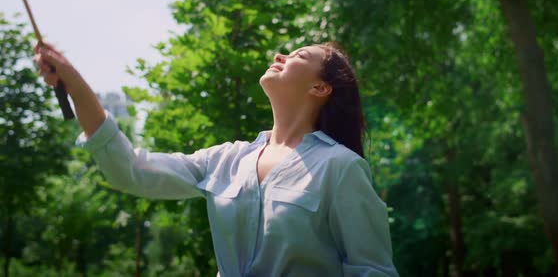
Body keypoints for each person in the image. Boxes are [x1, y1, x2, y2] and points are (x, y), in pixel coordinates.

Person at [34, 41, 399, 276]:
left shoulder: (340, 167)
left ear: (320, 88)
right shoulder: (226, 160)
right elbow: (131, 171)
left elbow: (373, 271)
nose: (279, 56)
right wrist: (74, 82)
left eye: (299, 56)